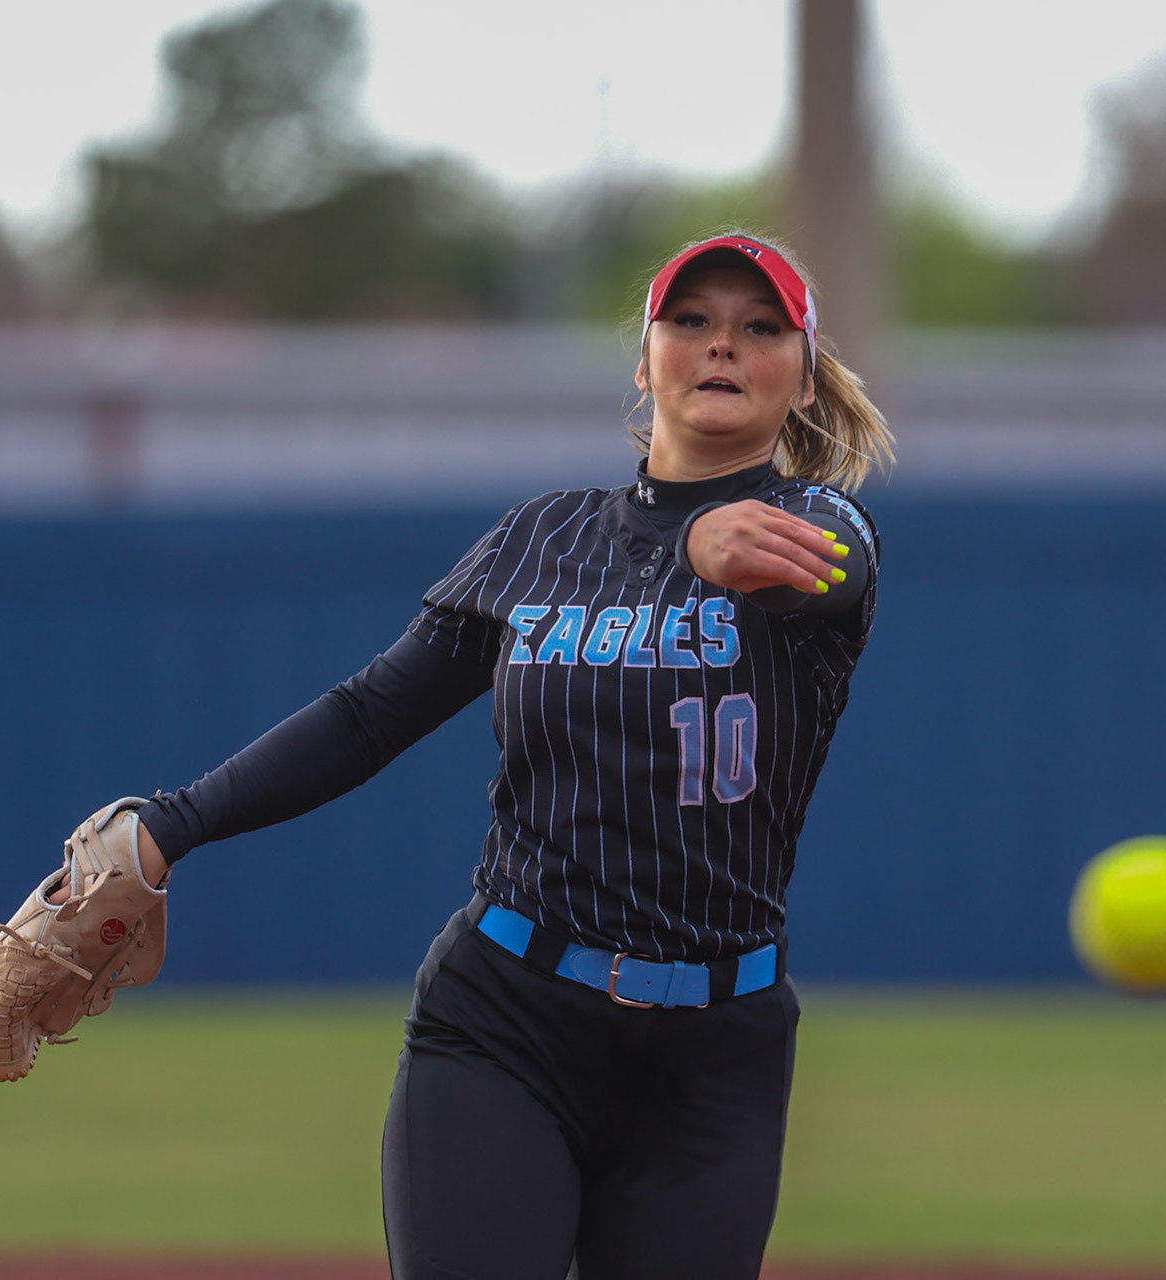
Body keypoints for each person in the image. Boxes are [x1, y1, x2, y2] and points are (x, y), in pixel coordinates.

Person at [103, 232, 890, 1279]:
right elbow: (369, 713)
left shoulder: (824, 524)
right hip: (509, 1019)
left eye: (760, 328)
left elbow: (827, 568)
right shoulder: (540, 540)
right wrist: (170, 824)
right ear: (645, 357)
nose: (723, 347)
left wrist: (705, 540)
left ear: (802, 372)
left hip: (718, 1051)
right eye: (691, 321)